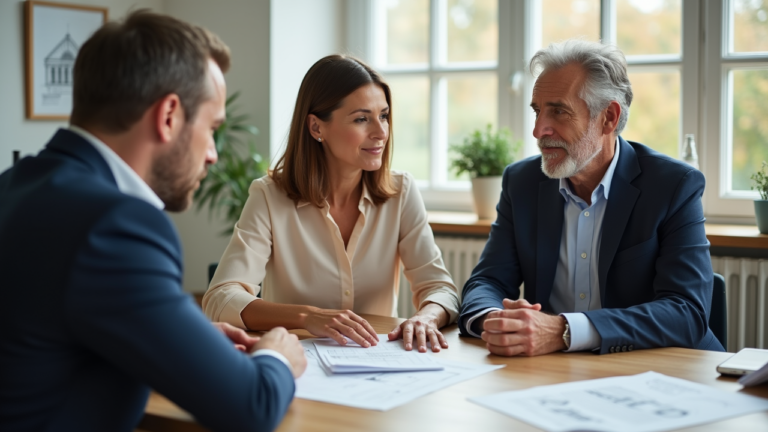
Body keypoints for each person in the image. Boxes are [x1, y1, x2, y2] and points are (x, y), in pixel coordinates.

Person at [0, 11, 305, 432]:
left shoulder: (14, 186)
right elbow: (251, 407)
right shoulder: (116, 225)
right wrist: (277, 355)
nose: (213, 153)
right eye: (211, 128)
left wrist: (183, 337)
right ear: (168, 117)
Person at [459, 39, 724, 356]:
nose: (539, 130)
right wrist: (499, 321)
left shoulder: (674, 185)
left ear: (609, 118)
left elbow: (686, 313)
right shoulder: (522, 182)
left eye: (558, 111)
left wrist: (564, 331)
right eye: (537, 111)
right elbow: (487, 282)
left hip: (661, 371)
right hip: (551, 371)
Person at [203, 55, 459, 353]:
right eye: (362, 119)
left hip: (377, 366)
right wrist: (307, 316)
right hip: (296, 364)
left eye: (384, 116)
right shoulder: (269, 196)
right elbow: (220, 298)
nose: (380, 132)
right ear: (315, 128)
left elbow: (440, 289)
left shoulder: (401, 192)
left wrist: (426, 318)